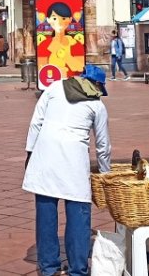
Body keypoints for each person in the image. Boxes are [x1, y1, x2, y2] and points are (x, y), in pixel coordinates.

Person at [23, 64, 111, 276]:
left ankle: (49, 268)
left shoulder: (54, 88)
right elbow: (103, 146)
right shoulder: (96, 106)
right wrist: (106, 174)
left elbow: (36, 123)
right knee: (79, 217)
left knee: (46, 216)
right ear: (97, 85)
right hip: (74, 164)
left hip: (44, 156)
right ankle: (77, 270)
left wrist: (30, 154)